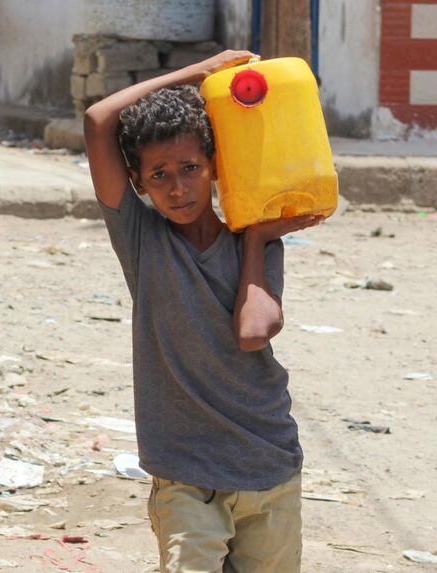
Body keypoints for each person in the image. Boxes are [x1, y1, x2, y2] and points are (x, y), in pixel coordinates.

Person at [83, 50, 323, 573]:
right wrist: (197, 74)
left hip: (268, 462)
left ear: (215, 165)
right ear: (139, 182)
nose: (176, 186)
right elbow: (99, 120)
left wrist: (258, 239)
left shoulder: (253, 240)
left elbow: (254, 332)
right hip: (186, 473)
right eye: (160, 174)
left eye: (190, 168)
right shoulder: (142, 240)